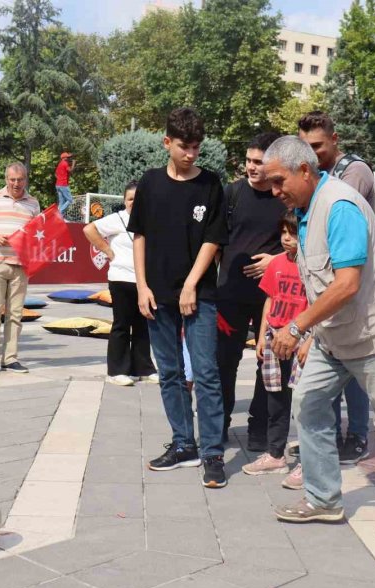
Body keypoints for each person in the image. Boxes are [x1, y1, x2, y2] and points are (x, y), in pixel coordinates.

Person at [264, 136, 375, 540]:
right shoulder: (306, 209)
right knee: (309, 403)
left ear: (304, 170)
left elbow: (346, 285)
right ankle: (323, 500)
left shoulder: (338, 206)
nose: (274, 191)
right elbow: (319, 282)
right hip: (333, 336)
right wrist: (312, 331)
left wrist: (296, 326)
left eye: (277, 181)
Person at [128, 107, 229, 488]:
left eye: (196, 148)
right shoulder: (151, 184)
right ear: (167, 142)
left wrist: (191, 284)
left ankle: (213, 453)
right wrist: (141, 286)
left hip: (198, 293)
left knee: (205, 374)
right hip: (156, 294)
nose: (191, 154)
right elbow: (139, 236)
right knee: (169, 373)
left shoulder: (211, 184)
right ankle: (184, 443)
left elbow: (213, 239)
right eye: (184, 147)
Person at [297, 110, 373, 466]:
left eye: (317, 146)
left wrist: (308, 328)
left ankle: (357, 435)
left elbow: (338, 243)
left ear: (334, 139)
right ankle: (323, 443)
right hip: (328, 289)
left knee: (355, 370)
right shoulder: (319, 175)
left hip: (352, 291)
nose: (312, 154)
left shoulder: (350, 177)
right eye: (305, 147)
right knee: (322, 385)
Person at [216, 131, 285, 448]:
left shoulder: (283, 198)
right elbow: (215, 241)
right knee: (224, 362)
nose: (252, 167)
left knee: (267, 363)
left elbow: (298, 243)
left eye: (259, 162)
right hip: (229, 294)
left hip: (269, 298)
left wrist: (275, 261)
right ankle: (220, 424)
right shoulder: (231, 194)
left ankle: (259, 428)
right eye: (248, 161)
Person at [242, 211, 311, 476]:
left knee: (305, 401)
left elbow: (317, 305)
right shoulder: (276, 263)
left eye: (292, 233)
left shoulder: (310, 266)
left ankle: (308, 461)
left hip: (301, 338)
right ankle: (275, 454)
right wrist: (261, 336)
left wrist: (309, 342)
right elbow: (269, 300)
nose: (286, 239)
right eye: (283, 233)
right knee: (276, 398)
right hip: (274, 336)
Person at [83, 180, 157, 386]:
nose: (133, 202)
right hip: (121, 279)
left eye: (137, 198)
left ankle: (143, 368)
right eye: (130, 198)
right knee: (121, 325)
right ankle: (117, 370)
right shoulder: (117, 219)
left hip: (144, 282)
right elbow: (89, 230)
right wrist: (107, 250)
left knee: (143, 325)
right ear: (124, 201)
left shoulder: (152, 219)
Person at [0, 162, 40, 376]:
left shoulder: (33, 203)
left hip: (21, 265)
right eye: (12, 179)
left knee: (15, 315)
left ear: (26, 179)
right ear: (6, 179)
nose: (16, 183)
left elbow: (38, 232)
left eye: (20, 179)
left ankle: (10, 358)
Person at [55, 152, 75, 217]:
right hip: (63, 185)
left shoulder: (60, 164)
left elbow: (56, 174)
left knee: (61, 202)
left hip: (58, 185)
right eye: (68, 157)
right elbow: (71, 170)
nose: (69, 158)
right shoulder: (65, 163)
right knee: (70, 200)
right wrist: (74, 163)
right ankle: (59, 213)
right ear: (64, 158)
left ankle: (59, 217)